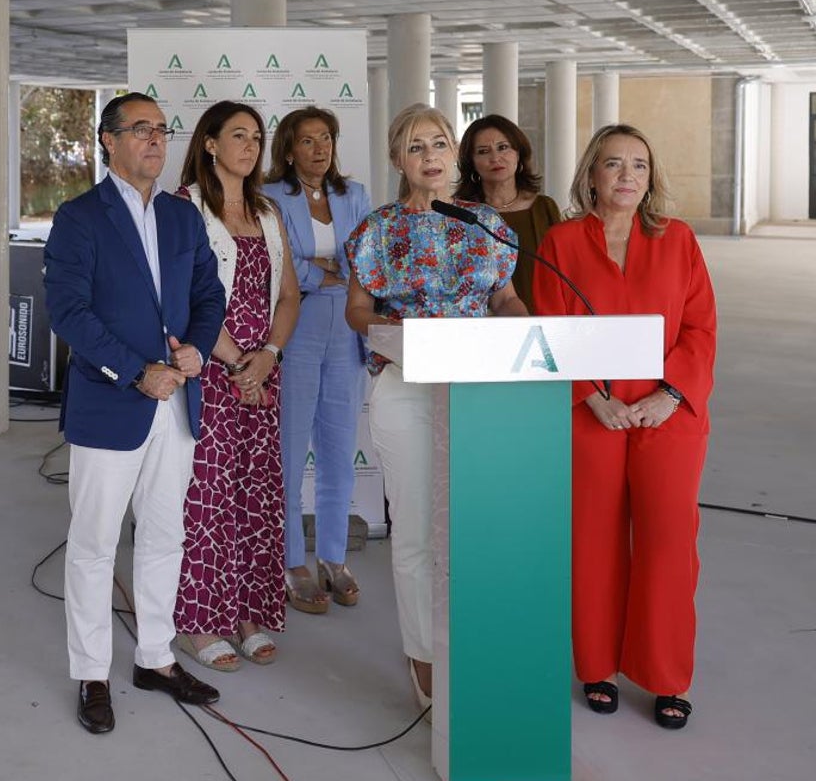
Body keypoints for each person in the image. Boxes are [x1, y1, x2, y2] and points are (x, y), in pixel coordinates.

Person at [44, 92, 227, 734]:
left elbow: (209, 291)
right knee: (94, 545)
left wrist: (199, 349)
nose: (156, 139)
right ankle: (92, 672)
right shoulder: (79, 218)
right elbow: (70, 313)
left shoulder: (182, 216)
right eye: (141, 129)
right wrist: (135, 368)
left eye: (161, 128)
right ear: (108, 140)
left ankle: (154, 658)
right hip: (111, 404)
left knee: (163, 535)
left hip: (176, 403)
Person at [533, 124, 717, 730]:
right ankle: (596, 667)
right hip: (593, 414)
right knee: (594, 542)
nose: (627, 175)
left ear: (651, 176)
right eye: (614, 164)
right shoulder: (561, 242)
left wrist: (669, 394)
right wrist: (589, 396)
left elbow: (699, 329)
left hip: (668, 415)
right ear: (591, 175)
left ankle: (666, 677)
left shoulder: (679, 240)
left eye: (639, 164)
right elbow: (552, 332)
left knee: (668, 544)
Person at [344, 103, 526, 713]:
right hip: (406, 386)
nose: (431, 156)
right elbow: (358, 311)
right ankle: (422, 655)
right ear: (399, 158)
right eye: (417, 146)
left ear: (454, 154)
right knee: (418, 531)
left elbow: (504, 298)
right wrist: (393, 337)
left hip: (477, 389)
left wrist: (530, 342)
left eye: (441, 143)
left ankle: (471, 647)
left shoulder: (487, 223)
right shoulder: (377, 229)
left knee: (471, 528)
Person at [172, 100, 301, 672]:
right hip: (211, 373)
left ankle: (247, 612)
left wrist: (267, 356)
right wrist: (235, 363)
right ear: (210, 144)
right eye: (238, 135)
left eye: (256, 137)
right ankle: (200, 621)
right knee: (207, 499)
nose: (250, 147)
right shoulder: (184, 209)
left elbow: (290, 296)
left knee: (256, 498)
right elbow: (178, 300)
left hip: (262, 377)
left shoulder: (268, 211)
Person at [262, 107, 371, 614]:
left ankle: (332, 557)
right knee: (289, 449)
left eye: (325, 138)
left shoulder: (355, 195)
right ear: (289, 150)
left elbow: (363, 265)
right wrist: (320, 271)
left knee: (339, 447)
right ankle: (290, 560)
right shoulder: (271, 196)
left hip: (347, 326)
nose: (319, 148)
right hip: (297, 323)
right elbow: (279, 265)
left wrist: (328, 269)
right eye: (307, 141)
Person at [454, 113, 561, 311]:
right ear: (472, 162)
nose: (495, 158)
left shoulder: (544, 208)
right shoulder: (460, 215)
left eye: (503, 147)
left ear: (518, 153)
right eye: (483, 151)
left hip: (543, 319)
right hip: (481, 327)